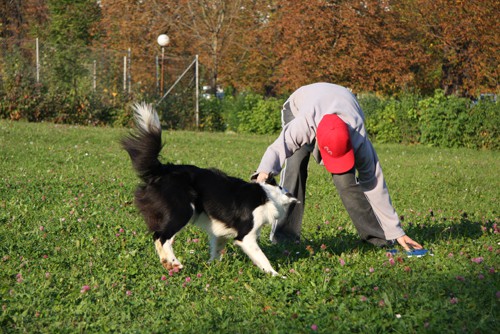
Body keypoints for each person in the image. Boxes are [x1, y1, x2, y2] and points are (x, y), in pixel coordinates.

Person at [254, 83, 422, 252]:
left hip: (339, 106)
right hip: (299, 105)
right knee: (295, 167)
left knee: (346, 181)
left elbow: (375, 184)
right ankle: (285, 238)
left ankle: (377, 239)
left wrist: (396, 231)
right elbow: (278, 148)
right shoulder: (303, 125)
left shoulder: (358, 138)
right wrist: (264, 173)